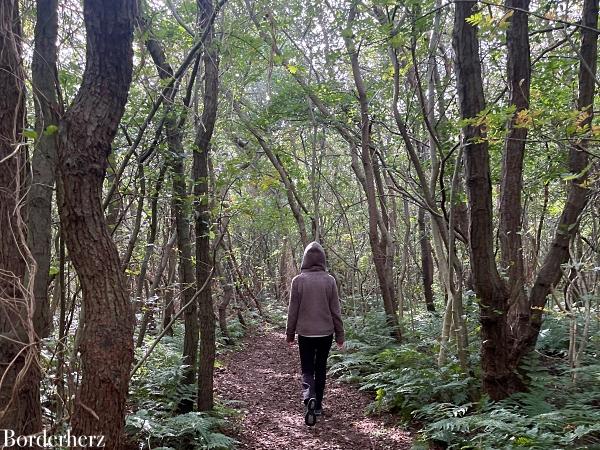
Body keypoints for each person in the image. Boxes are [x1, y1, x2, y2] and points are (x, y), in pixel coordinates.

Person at [286, 241, 344, 426]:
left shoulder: (298, 281)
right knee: (320, 368)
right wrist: (340, 335)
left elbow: (292, 310)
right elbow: (336, 310)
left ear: (305, 259)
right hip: (326, 333)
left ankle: (308, 397)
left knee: (307, 369)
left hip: (305, 334)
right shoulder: (330, 280)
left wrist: (289, 334)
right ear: (323, 260)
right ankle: (317, 405)